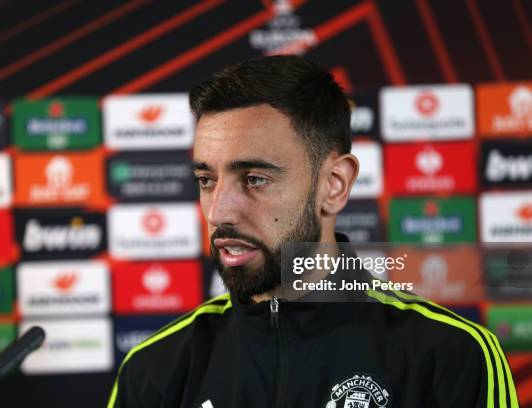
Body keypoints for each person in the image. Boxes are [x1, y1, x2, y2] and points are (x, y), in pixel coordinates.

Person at [107, 55, 518, 408]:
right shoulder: (152, 368)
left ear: (334, 185)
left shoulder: (453, 355)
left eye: (254, 179)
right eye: (207, 180)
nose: (219, 212)